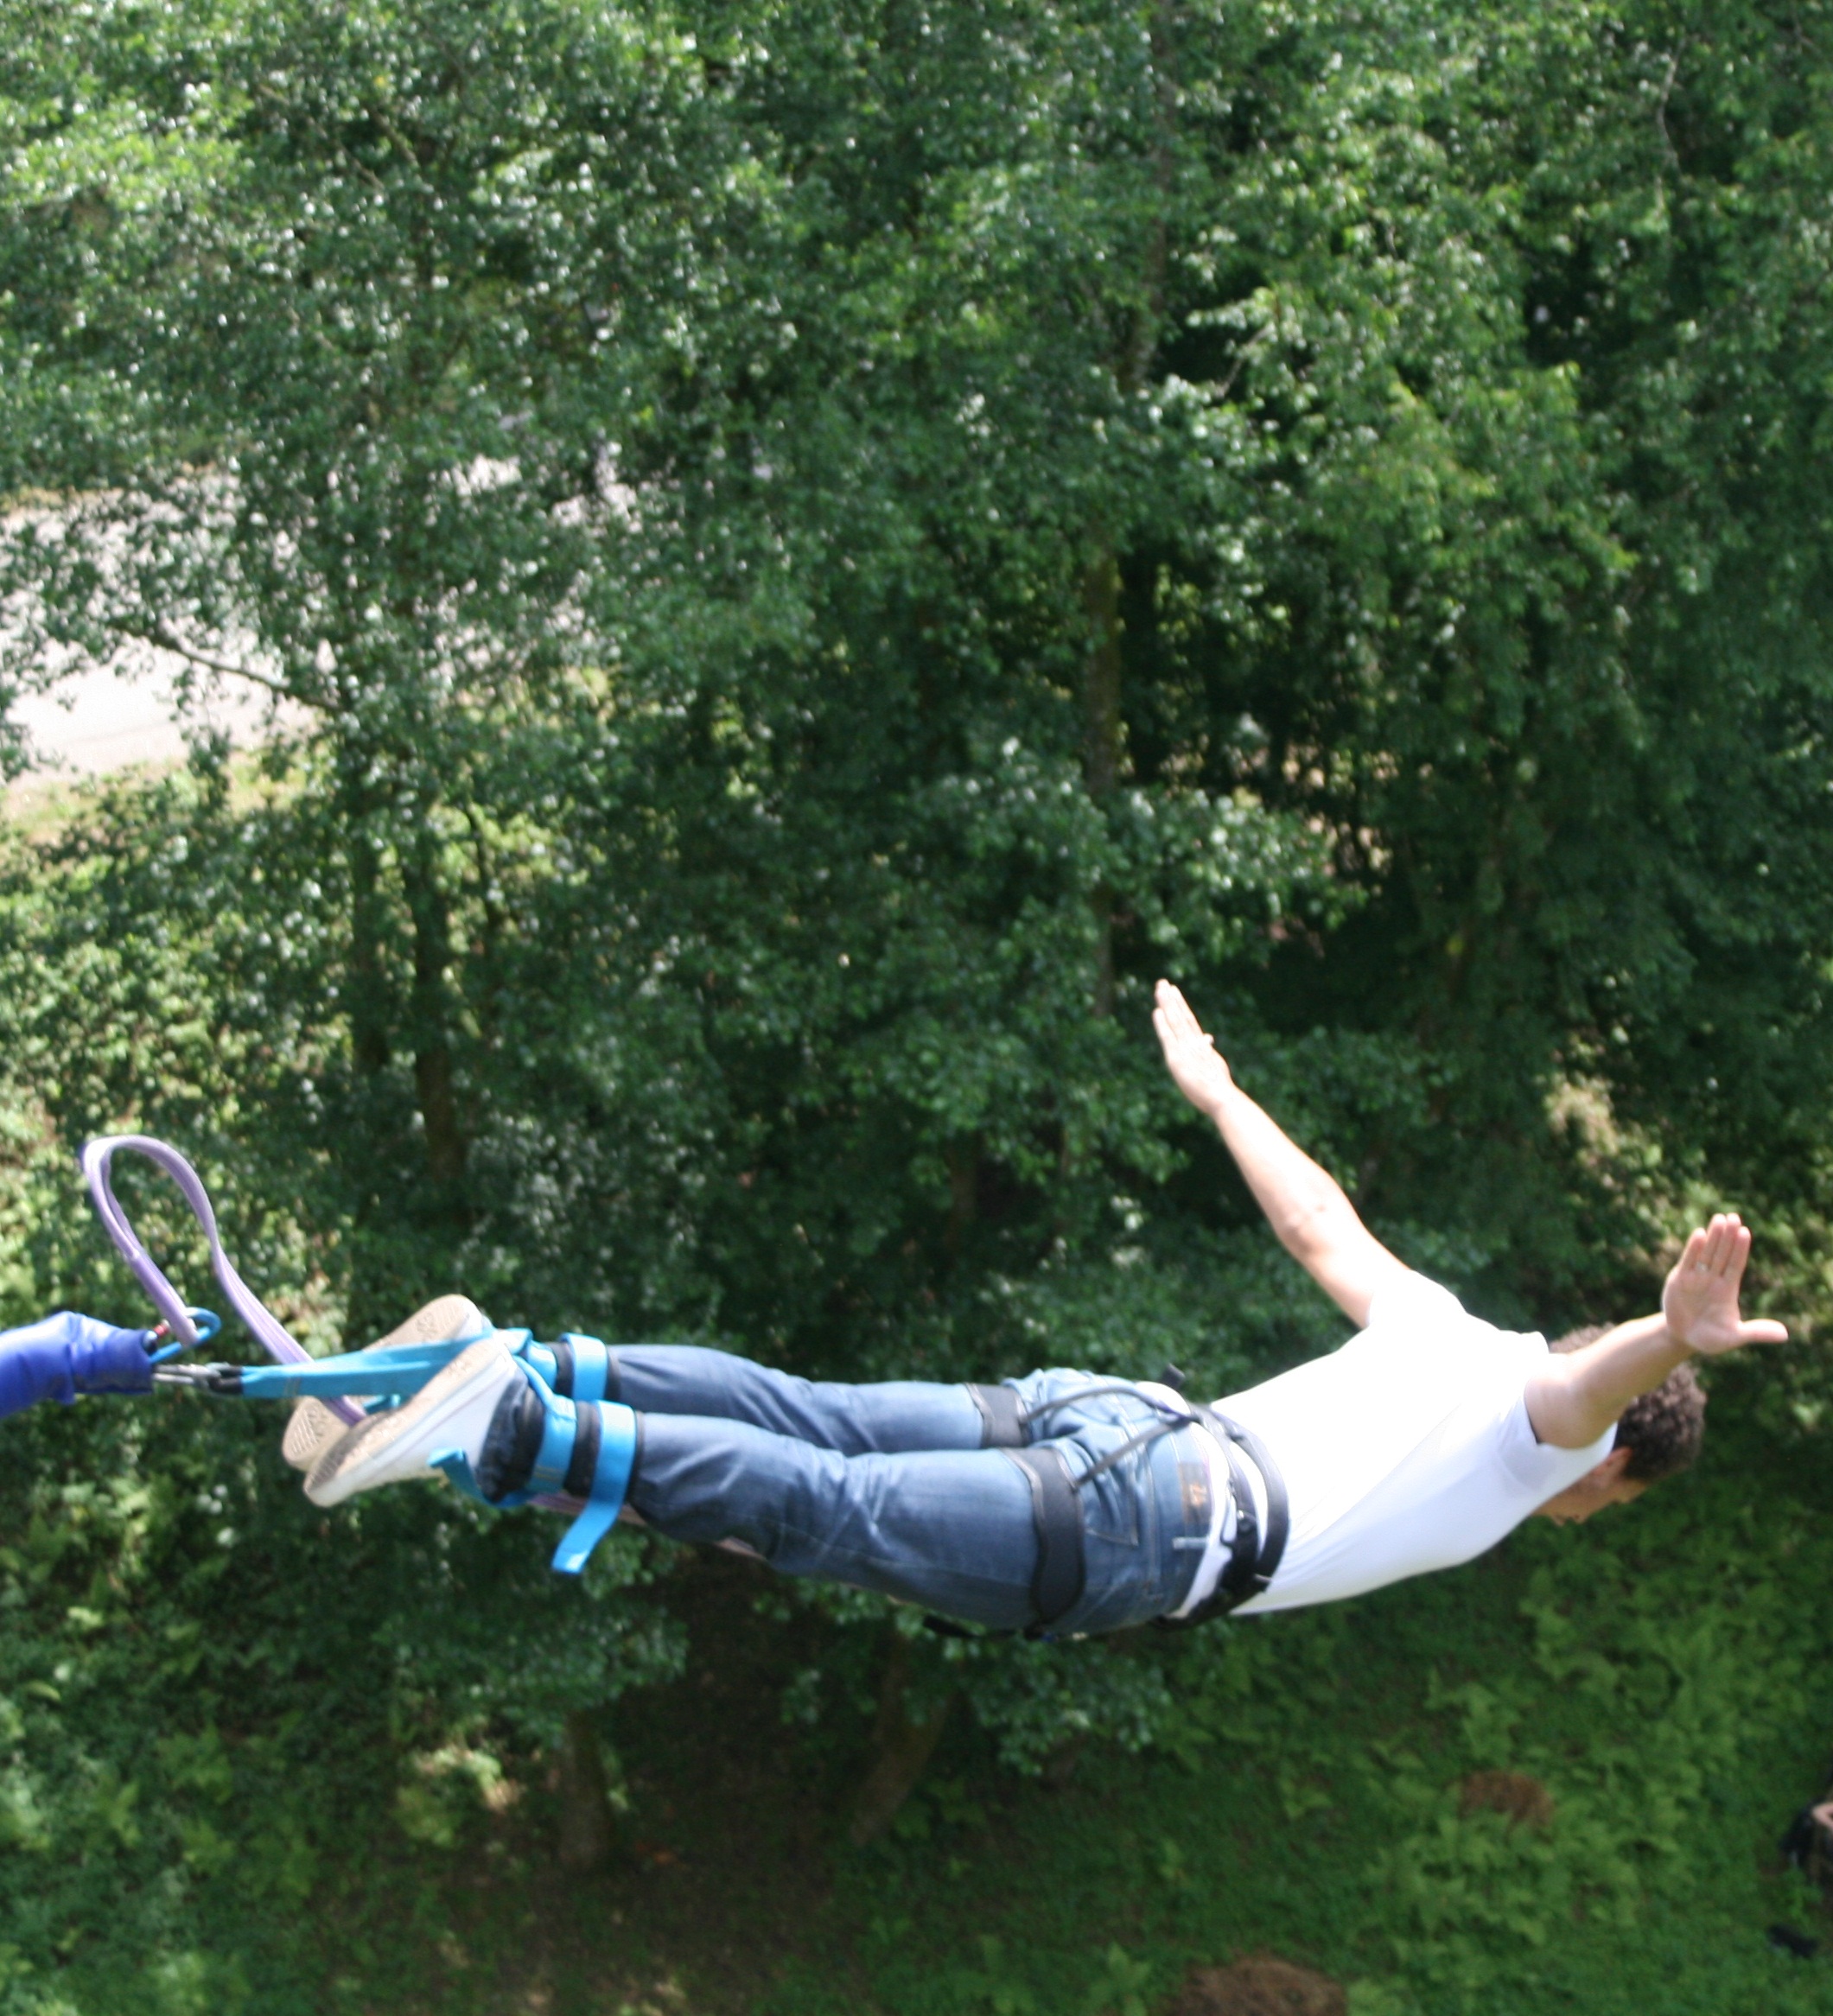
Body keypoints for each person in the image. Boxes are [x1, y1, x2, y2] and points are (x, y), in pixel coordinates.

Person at [291, 981, 1788, 1634]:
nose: (1580, 1506)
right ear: (1612, 1471)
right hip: (1156, 1522)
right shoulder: (1539, 1434)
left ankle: (534, 1359)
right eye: (1606, 1500)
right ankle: (504, 1419)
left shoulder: (1453, 1325)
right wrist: (1671, 1336)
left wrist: (1217, 1091)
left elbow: (1315, 1217)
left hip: (1122, 1418)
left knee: (807, 1417)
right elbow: (1571, 1403)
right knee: (823, 1507)